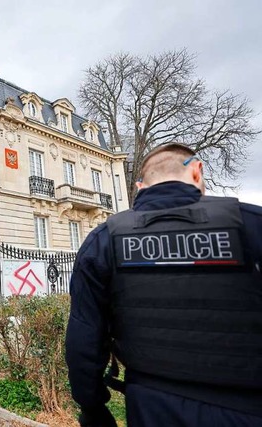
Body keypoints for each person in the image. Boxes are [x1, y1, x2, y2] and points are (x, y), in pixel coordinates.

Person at [65, 142, 262, 427]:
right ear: (197, 172)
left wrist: (93, 407)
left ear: (140, 186)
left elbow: (83, 340)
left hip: (149, 405)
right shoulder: (251, 225)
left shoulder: (104, 240)